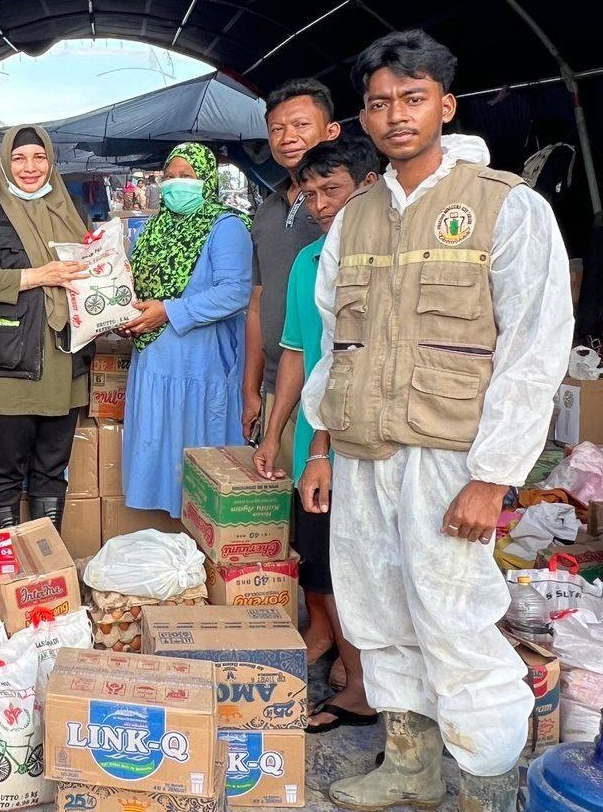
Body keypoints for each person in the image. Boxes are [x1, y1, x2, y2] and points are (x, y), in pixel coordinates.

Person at [300, 30, 573, 811]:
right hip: (361, 454)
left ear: (443, 106)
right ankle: (410, 767)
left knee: (454, 621)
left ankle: (482, 786)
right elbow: (332, 345)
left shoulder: (505, 208)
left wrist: (493, 478)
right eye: (380, 103)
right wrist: (319, 448)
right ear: (363, 115)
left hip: (451, 458)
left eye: (412, 99)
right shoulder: (353, 220)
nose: (395, 116)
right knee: (378, 612)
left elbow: (532, 350)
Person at [252, 133, 379, 735]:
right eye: (312, 192)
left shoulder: (382, 257)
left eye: (334, 189)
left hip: (366, 440)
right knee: (320, 563)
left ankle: (363, 688)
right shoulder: (308, 262)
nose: (322, 203)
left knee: (359, 568)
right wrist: (273, 435)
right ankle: (340, 657)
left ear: (370, 185)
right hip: (314, 443)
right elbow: (296, 353)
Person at [242, 77, 340, 662]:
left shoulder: (344, 205)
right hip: (285, 377)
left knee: (327, 519)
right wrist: (252, 386)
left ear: (332, 131)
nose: (286, 137)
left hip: (329, 383)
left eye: (300, 125)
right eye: (277, 128)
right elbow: (258, 301)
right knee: (303, 522)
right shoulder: (271, 206)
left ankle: (343, 645)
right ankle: (320, 625)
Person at [0, 124, 92, 531]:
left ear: (51, 162)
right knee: (6, 473)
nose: (29, 167)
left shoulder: (70, 212)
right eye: (18, 158)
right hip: (8, 367)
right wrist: (36, 276)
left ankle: (45, 562)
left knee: (52, 471)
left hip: (64, 364)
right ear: (5, 163)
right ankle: (8, 576)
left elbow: (91, 273)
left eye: (38, 157)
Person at [119, 143, 252, 516]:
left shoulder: (227, 227)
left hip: (199, 364)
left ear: (206, 179)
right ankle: (170, 543)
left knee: (197, 449)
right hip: (153, 361)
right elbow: (134, 286)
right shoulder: (151, 230)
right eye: (171, 177)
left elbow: (235, 293)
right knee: (159, 444)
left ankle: (201, 536)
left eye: (187, 176)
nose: (177, 184)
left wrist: (170, 311)